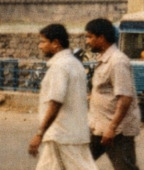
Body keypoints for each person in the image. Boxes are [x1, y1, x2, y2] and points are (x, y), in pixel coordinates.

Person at [28, 24, 97, 170]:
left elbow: (55, 102)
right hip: (70, 134)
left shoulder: (60, 66)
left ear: (55, 43)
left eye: (43, 42)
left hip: (61, 136)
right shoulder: (75, 64)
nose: (40, 46)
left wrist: (40, 133)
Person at [85, 18, 141, 170]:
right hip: (99, 127)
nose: (87, 41)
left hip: (117, 131)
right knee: (77, 163)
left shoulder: (117, 61)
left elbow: (125, 98)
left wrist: (112, 128)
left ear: (101, 38)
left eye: (90, 37)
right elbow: (105, 91)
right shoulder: (104, 60)